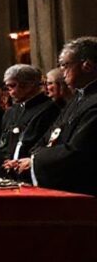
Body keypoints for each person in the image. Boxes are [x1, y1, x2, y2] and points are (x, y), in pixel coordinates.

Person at [24, 37, 97, 195]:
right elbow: (51, 133)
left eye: (65, 65)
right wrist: (34, 154)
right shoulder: (77, 98)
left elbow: (79, 151)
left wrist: (35, 160)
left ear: (87, 66)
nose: (62, 72)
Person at [0, 65, 59, 180]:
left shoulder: (49, 109)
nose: (10, 91)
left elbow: (45, 143)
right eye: (7, 87)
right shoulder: (11, 111)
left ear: (30, 84)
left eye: (13, 86)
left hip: (30, 172)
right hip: (7, 173)